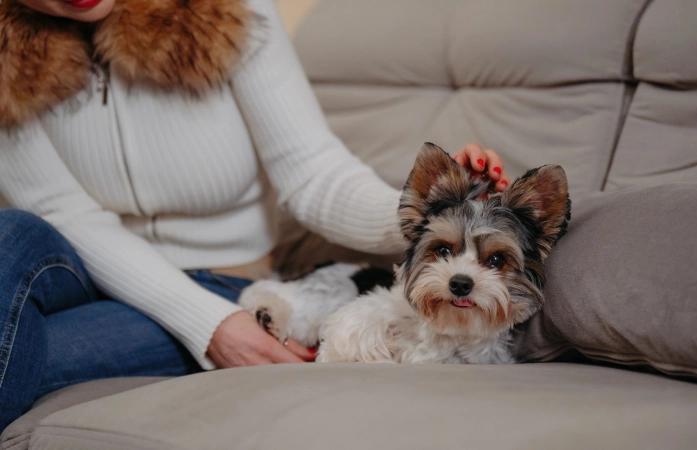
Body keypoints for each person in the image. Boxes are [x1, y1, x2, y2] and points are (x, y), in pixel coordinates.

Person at [0, 0, 511, 431]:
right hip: (81, 273)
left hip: (220, 282)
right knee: (13, 229)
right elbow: (62, 214)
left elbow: (312, 172)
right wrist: (211, 328)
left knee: (16, 346)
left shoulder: (227, 10)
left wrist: (421, 215)